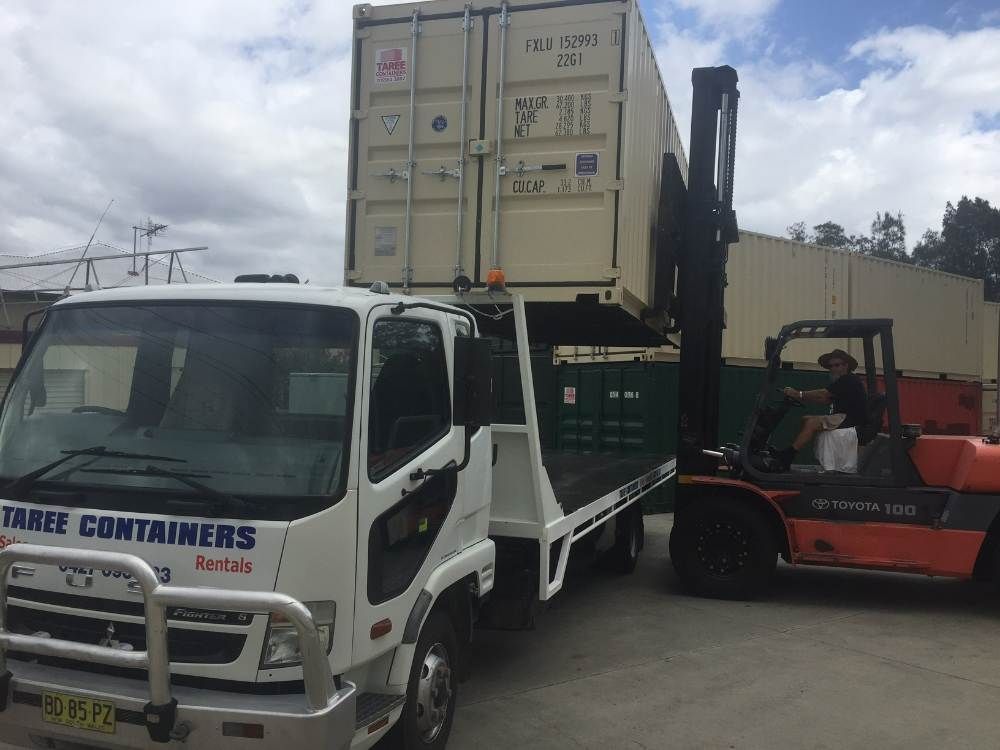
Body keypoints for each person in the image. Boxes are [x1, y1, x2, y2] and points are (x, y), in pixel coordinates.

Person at [775, 348, 867, 470]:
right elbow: (825, 400)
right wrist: (801, 397)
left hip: (850, 419)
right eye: (831, 366)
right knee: (806, 418)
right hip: (843, 417)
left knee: (812, 423)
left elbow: (824, 394)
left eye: (837, 365)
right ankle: (792, 451)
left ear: (846, 366)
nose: (833, 368)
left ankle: (788, 456)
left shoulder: (848, 379)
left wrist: (799, 394)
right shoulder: (843, 382)